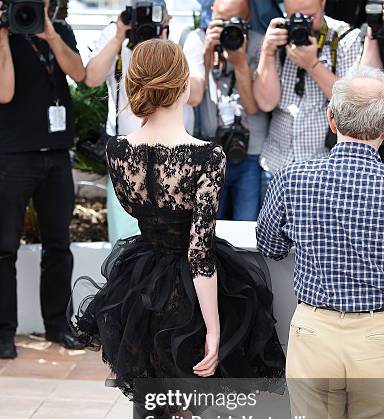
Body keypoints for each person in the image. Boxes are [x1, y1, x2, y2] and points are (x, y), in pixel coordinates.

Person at [70, 39, 285, 419]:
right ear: (181, 80)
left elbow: (156, 229)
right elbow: (199, 253)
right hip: (186, 301)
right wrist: (214, 327)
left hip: (138, 292)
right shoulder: (204, 156)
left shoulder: (120, 152)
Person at [257, 66, 384, 419]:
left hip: (313, 337)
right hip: (377, 338)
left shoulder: (297, 177)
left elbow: (269, 243)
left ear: (330, 121)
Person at [0, 0, 85, 359]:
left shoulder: (59, 31)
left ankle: (58, 325)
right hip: (12, 156)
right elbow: (4, 92)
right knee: (4, 250)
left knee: (58, 246)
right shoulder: (4, 35)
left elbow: (79, 73)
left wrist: (50, 34)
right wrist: (3, 34)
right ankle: (4, 334)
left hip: (56, 154)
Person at [85, 0, 205, 245]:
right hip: (126, 156)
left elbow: (196, 95)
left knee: (176, 244)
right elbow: (92, 78)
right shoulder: (115, 32)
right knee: (124, 245)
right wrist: (119, 35)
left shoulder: (182, 35)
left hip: (179, 157)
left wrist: (165, 54)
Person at [253, 0, 362, 176]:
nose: (303, 24)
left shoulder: (345, 37)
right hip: (275, 166)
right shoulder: (278, 34)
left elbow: (350, 106)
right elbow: (266, 103)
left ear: (323, 4)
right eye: (295, 17)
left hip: (324, 169)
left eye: (310, 17)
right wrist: (267, 52)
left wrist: (312, 64)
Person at [201, 0, 269, 220]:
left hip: (249, 152)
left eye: (234, 21)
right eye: (221, 21)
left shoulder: (260, 44)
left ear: (247, 19)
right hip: (210, 151)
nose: (227, 29)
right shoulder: (200, 40)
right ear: (211, 14)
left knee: (246, 228)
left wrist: (240, 64)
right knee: (209, 227)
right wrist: (206, 53)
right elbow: (193, 95)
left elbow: (251, 107)